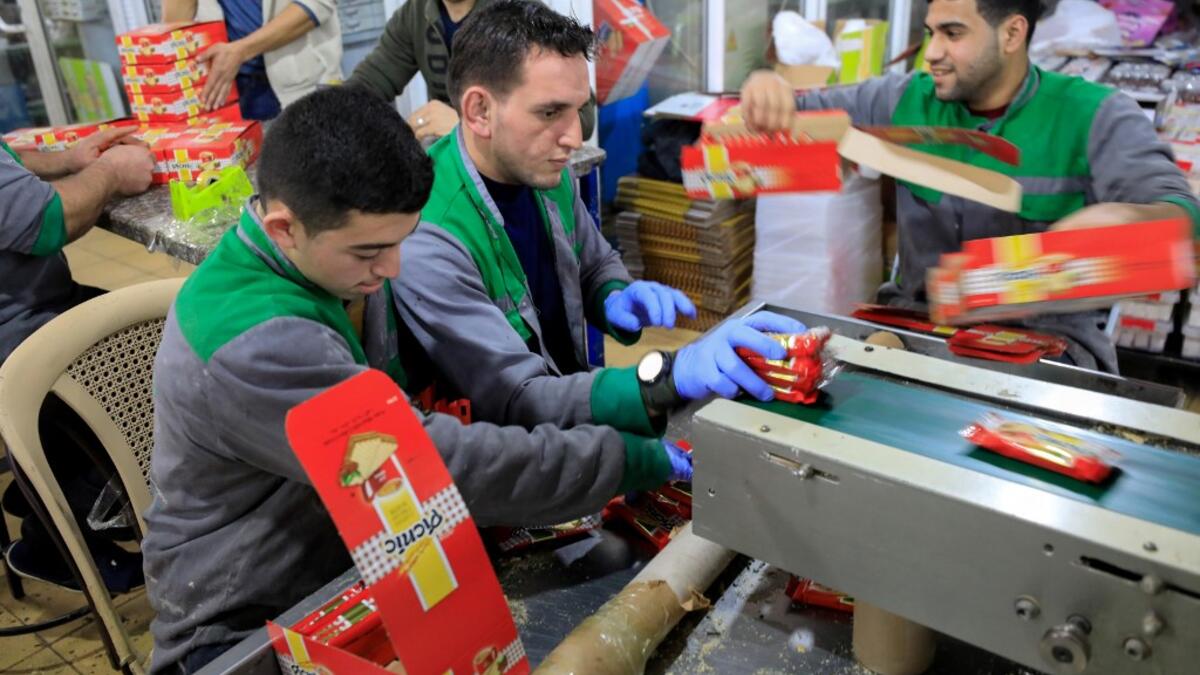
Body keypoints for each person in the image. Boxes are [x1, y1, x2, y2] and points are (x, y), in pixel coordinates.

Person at [142, 87, 694, 675]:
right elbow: (427, 466)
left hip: (358, 561)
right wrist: (623, 460)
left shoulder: (340, 271)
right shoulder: (255, 342)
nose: (393, 270)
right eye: (370, 252)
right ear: (284, 228)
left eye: (402, 242)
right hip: (245, 623)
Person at [394, 0, 806, 439]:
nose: (574, 136)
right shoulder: (427, 234)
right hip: (499, 455)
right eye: (550, 113)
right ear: (479, 111)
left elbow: (592, 261)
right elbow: (519, 396)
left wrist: (613, 295)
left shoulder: (542, 169)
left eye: (578, 109)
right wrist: (665, 375)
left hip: (567, 417)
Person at [738, 0, 1200, 373]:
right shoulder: (902, 100)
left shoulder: (1094, 115)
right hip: (915, 327)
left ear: (1012, 34)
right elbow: (798, 112)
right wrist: (765, 87)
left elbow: (1182, 217)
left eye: (953, 34)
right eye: (930, 32)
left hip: (1046, 345)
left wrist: (1129, 222)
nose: (933, 51)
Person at [1, 127, 155, 590]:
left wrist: (67, 160)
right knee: (164, 353)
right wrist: (108, 173)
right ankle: (62, 524)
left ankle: (48, 486)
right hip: (17, 344)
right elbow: (50, 221)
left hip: (28, 317)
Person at [345, 0, 596, 143]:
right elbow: (364, 87)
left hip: (511, 177)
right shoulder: (416, 13)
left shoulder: (519, 14)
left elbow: (582, 119)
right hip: (451, 167)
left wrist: (468, 125)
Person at [163, 0, 343, 119]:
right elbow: (175, 28)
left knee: (316, 167)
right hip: (229, 91)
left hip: (301, 82)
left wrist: (241, 51)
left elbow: (318, 4)